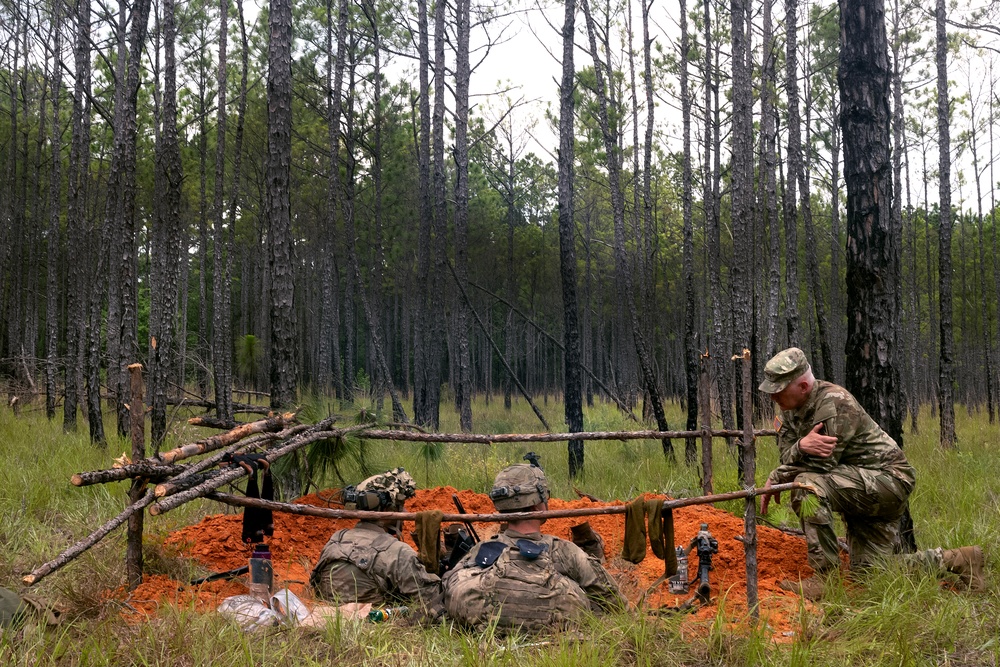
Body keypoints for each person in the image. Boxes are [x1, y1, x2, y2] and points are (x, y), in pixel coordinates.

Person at [758, 347, 984, 598]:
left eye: (779, 390)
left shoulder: (834, 403)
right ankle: (961, 559)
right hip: (857, 486)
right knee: (871, 575)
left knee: (806, 485)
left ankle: (824, 579)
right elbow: (787, 455)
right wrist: (800, 448)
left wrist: (783, 471)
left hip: (888, 482)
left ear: (802, 386)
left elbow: (818, 467)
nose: (773, 397)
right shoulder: (790, 411)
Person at [442, 463, 625, 631]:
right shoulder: (565, 551)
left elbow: (449, 586)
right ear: (539, 505)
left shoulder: (481, 550)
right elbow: (614, 602)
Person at [309, 468, 443, 618]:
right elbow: (431, 598)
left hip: (327, 618)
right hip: (376, 625)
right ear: (388, 509)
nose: (405, 511)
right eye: (401, 505)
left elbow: (317, 586)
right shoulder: (398, 551)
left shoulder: (337, 539)